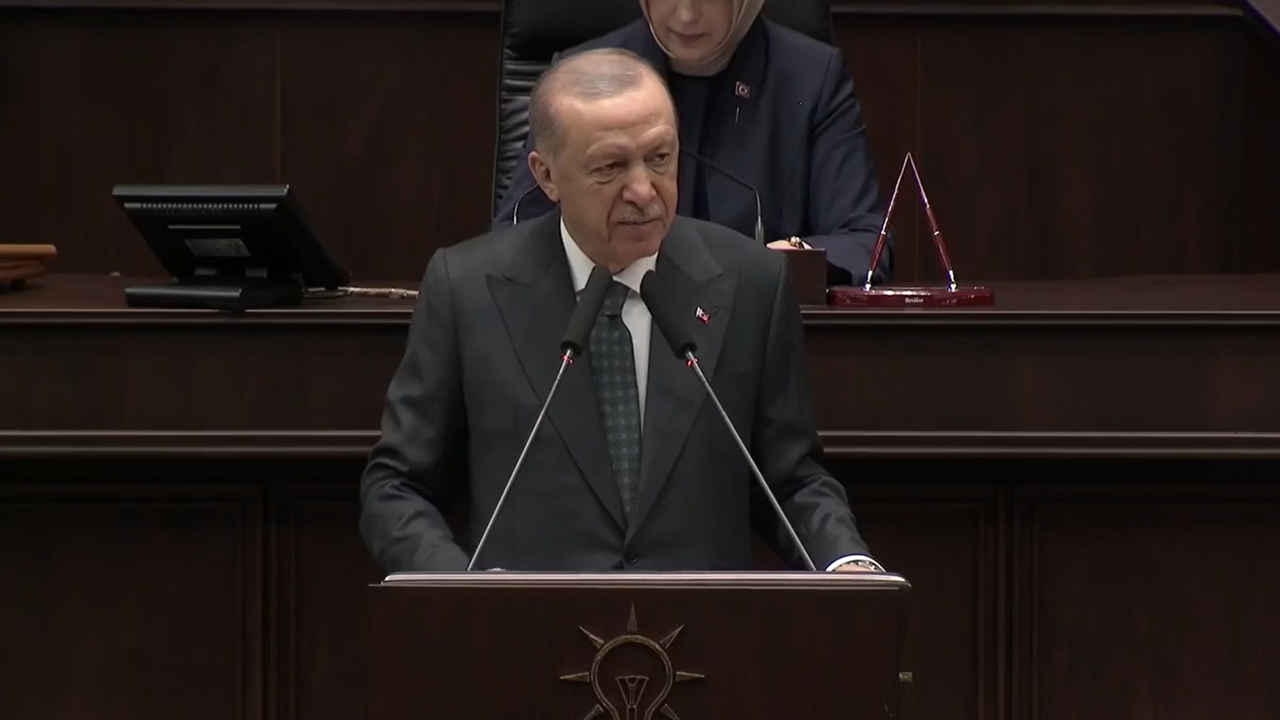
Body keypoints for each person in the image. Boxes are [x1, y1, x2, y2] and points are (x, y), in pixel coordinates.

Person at [359, 48, 882, 574]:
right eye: (610, 167)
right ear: (546, 176)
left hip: (702, 620)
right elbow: (398, 485)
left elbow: (791, 480)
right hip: (528, 622)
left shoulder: (752, 283)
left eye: (660, 158)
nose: (643, 191)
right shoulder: (467, 289)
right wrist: (458, 590)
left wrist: (845, 561)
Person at [492, 0, 892, 286]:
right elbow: (514, 235)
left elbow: (865, 243)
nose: (685, 15)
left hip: (749, 329)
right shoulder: (580, 80)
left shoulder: (810, 77)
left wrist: (784, 260)